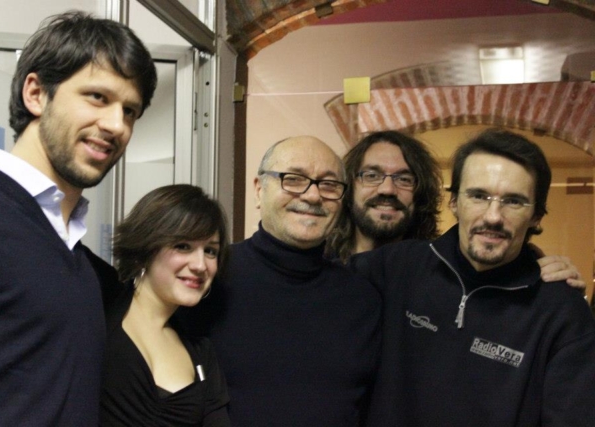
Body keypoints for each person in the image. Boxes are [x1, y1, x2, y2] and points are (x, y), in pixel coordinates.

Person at [0, 11, 157, 425]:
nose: (116, 125)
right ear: (36, 94)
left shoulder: (84, 265)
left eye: (130, 111)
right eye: (97, 97)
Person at [352, 129, 595, 426]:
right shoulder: (396, 268)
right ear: (454, 201)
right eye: (479, 196)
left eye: (513, 201)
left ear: (536, 216)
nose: (493, 216)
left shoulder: (562, 313)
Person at [183, 136, 382, 426]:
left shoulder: (362, 300)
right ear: (259, 189)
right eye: (293, 179)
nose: (312, 196)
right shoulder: (209, 277)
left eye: (328, 184)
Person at [326, 130, 585, 287]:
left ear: (422, 192)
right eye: (371, 175)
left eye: (404, 179)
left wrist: (538, 272)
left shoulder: (439, 271)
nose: (387, 189)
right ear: (349, 185)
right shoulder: (319, 265)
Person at [100, 184, 231, 426]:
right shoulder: (97, 317)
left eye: (210, 251)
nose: (200, 265)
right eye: (183, 246)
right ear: (145, 249)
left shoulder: (201, 353)